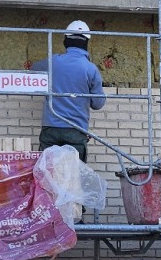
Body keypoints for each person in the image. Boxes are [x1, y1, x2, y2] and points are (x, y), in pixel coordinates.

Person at [31, 20, 106, 163]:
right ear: (86, 42)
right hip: (75, 129)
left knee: (48, 175)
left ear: (66, 40)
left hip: (51, 128)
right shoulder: (90, 69)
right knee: (73, 176)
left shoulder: (53, 62)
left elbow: (33, 70)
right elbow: (98, 104)